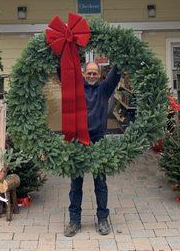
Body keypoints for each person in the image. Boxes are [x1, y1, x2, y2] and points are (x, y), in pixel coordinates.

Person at [64, 61, 121, 237]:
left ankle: (102, 219)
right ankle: (74, 221)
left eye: (95, 73)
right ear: (83, 73)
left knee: (101, 184)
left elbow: (116, 73)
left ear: (99, 74)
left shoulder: (104, 89)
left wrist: (121, 57)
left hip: (98, 142)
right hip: (78, 142)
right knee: (76, 185)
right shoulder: (76, 87)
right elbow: (63, 74)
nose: (92, 76)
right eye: (89, 72)